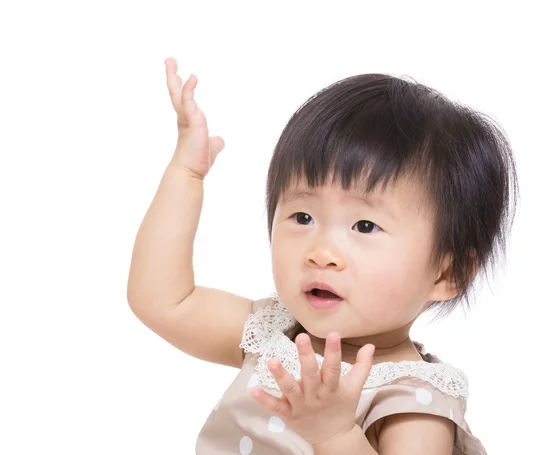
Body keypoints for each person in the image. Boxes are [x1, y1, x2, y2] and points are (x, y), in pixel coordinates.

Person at [127, 57, 519, 454]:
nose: (323, 252)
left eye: (365, 226)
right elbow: (164, 302)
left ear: (446, 274)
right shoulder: (273, 334)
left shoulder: (412, 402)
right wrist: (186, 176)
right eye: (303, 216)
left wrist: (335, 435)